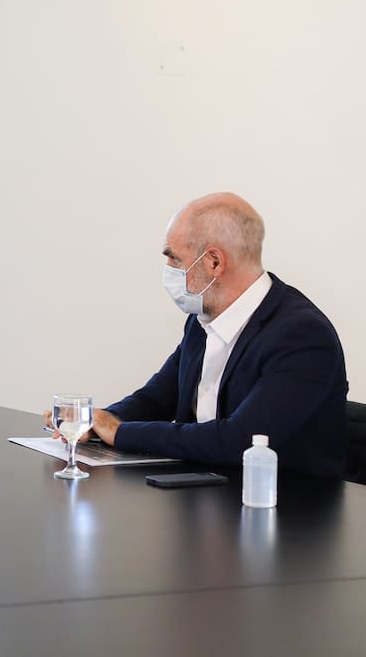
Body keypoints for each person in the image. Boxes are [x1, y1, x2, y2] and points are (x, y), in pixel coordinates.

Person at [46, 193, 347, 477]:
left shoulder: (303, 336)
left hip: (291, 513)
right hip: (208, 494)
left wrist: (118, 431)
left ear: (214, 262)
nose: (168, 269)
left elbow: (240, 440)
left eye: (174, 259)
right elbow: (156, 398)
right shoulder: (203, 318)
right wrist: (95, 423)